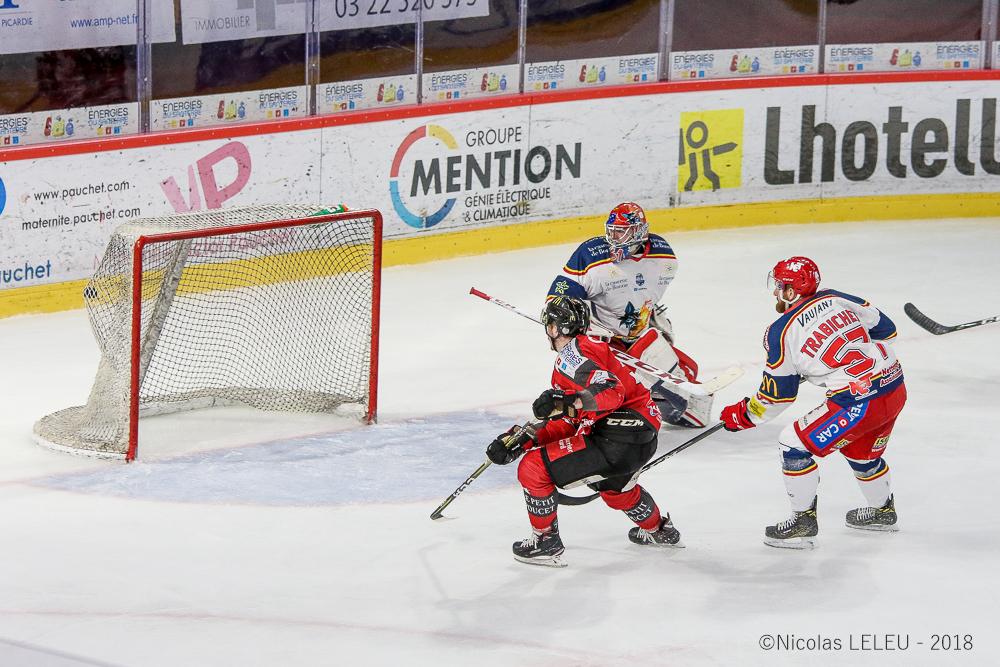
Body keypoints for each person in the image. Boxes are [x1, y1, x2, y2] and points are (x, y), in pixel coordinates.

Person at [720, 257, 906, 549]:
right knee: (861, 452)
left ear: (791, 291)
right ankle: (882, 512)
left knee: (792, 444)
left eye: (780, 286)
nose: (775, 292)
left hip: (858, 401)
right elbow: (888, 332)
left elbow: (777, 396)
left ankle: (802, 524)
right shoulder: (837, 297)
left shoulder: (781, 331)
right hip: (894, 386)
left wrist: (743, 415)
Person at [486, 296, 683, 568]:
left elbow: (611, 392)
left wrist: (569, 400)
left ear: (554, 328)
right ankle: (659, 530)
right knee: (616, 490)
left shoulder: (573, 355)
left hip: (616, 438)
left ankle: (545, 542)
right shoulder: (592, 349)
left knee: (533, 468)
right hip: (639, 437)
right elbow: (571, 422)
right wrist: (525, 438)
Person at [545, 202, 707, 427]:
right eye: (611, 231)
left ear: (639, 232)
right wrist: (562, 317)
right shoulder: (591, 254)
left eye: (621, 232)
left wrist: (651, 316)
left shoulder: (665, 257)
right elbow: (560, 294)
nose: (613, 238)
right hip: (602, 340)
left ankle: (654, 396)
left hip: (639, 335)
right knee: (608, 390)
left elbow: (642, 294)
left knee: (691, 405)